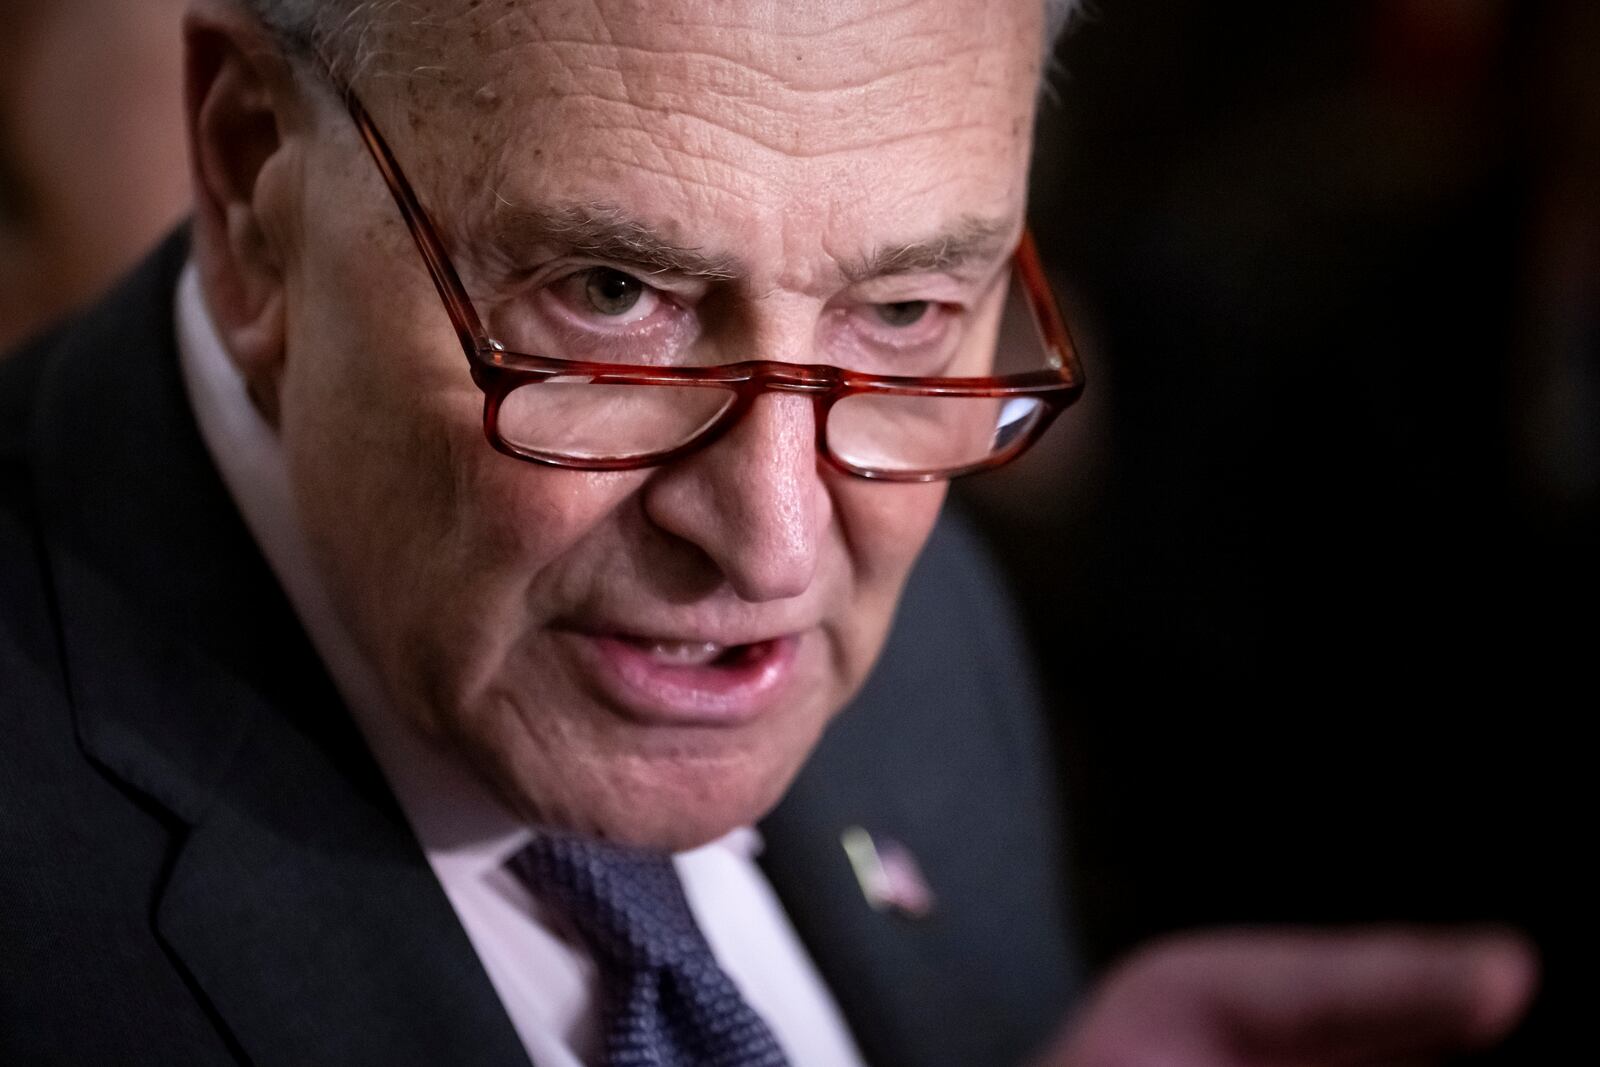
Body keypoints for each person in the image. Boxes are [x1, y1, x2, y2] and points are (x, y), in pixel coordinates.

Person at [0, 1, 1535, 1065]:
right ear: (252, 164)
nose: (781, 550)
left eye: (908, 309)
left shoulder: (937, 643)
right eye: (611, 297)